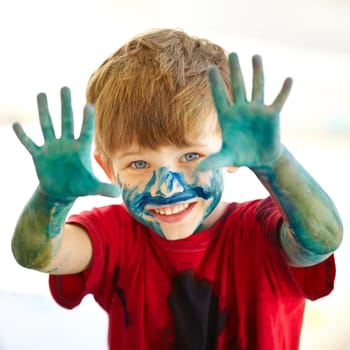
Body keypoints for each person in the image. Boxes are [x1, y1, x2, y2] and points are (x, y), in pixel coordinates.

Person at [12, 28, 343, 350]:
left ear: (234, 151)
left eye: (190, 156)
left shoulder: (261, 230)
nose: (167, 188)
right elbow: (38, 254)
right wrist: (51, 197)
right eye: (139, 164)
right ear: (107, 169)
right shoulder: (113, 236)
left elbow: (322, 240)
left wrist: (276, 163)